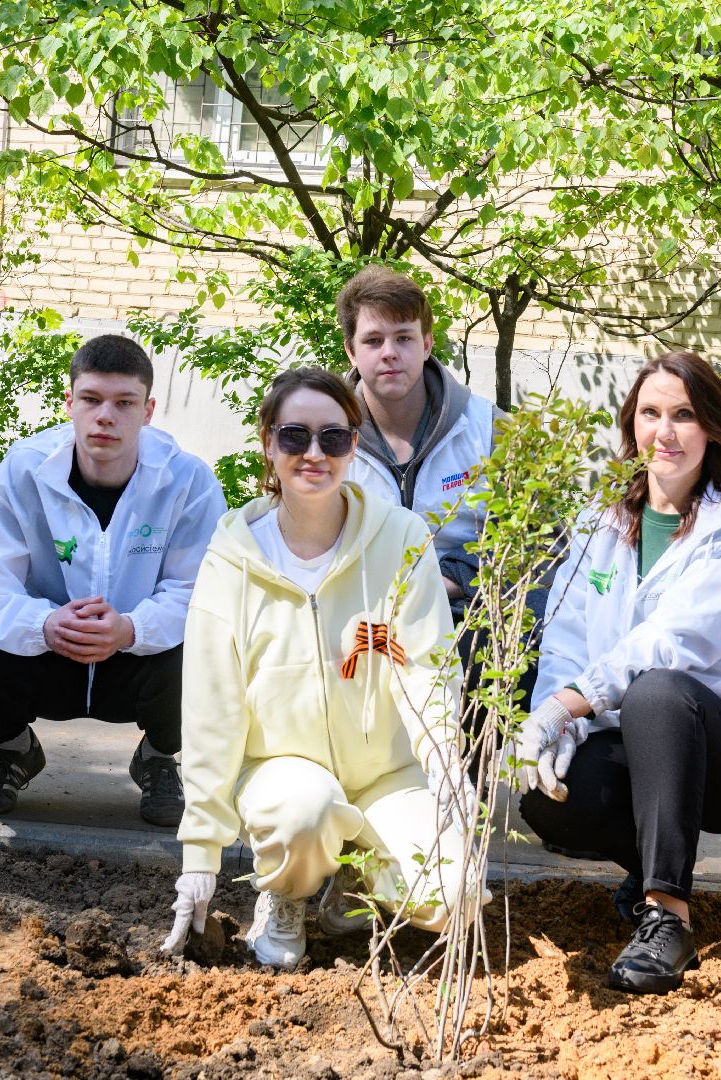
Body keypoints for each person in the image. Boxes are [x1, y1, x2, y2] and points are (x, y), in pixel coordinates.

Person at [162, 366, 481, 969]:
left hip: (387, 771)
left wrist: (446, 774)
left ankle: (357, 882)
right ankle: (285, 894)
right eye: (294, 437)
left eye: (333, 438)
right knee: (304, 810)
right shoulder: (233, 557)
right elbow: (212, 707)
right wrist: (200, 852)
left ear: (354, 445)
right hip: (284, 773)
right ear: (267, 444)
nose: (314, 454)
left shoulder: (400, 538)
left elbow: (429, 669)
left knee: (455, 892)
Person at [518, 351, 721, 994]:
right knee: (550, 797)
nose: (666, 432)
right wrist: (550, 719)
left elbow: (676, 640)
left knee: (658, 690)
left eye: (685, 415)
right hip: (636, 741)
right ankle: (653, 867)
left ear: (712, 430)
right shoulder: (602, 524)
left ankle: (666, 916)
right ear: (632, 424)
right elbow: (565, 635)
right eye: (651, 413)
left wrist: (576, 700)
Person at [0, 335, 225, 826]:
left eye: (124, 403)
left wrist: (131, 629)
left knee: (209, 660)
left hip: (139, 661)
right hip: (48, 656)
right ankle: (15, 751)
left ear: (149, 410)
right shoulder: (23, 470)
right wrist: (45, 624)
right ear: (69, 402)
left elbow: (198, 593)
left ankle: (159, 757)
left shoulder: (188, 481)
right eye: (92, 399)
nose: (105, 417)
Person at [337, 266, 497, 619]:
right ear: (351, 352)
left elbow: (541, 538)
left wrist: (450, 580)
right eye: (373, 340)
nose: (389, 352)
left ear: (426, 344)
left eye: (404, 338)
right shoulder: (326, 437)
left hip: (469, 616)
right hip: (357, 618)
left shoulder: (488, 429)